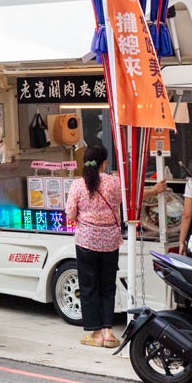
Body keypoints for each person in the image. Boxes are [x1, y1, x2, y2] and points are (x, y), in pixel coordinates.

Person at [65, 144, 121, 348]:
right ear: (104, 162)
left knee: (89, 288)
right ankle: (108, 332)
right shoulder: (114, 183)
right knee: (108, 286)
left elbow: (70, 214)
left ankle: (95, 333)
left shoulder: (78, 185)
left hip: (86, 242)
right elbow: (123, 202)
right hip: (110, 242)